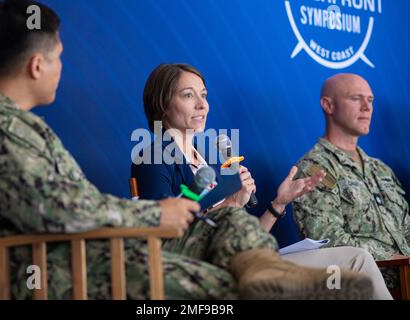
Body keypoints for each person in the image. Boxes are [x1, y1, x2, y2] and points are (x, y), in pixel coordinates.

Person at [0, 0, 249, 300]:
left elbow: (65, 205)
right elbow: (60, 210)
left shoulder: (2, 121)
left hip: (92, 259)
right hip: (68, 274)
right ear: (36, 65)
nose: (61, 67)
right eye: (58, 57)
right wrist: (154, 213)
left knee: (238, 238)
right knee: (231, 287)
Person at [131, 63, 391, 299]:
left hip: (245, 261)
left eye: (204, 95)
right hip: (202, 271)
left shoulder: (208, 160)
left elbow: (240, 236)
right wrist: (230, 202)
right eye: (188, 95)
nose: (202, 105)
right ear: (163, 104)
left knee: (358, 259)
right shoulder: (153, 155)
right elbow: (164, 235)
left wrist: (278, 203)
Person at [292, 73, 410, 290]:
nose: (367, 107)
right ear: (328, 105)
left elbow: (407, 226)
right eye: (356, 98)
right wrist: (397, 258)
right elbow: (326, 239)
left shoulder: (380, 168)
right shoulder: (315, 168)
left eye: (371, 100)